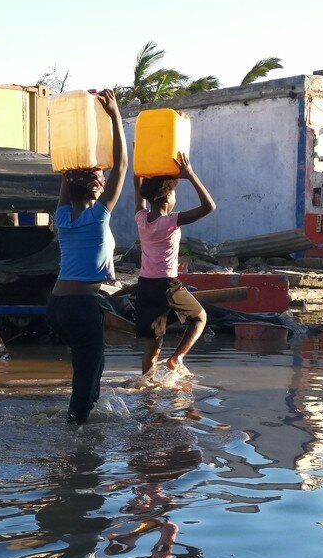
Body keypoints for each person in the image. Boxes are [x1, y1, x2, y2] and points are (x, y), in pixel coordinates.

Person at [47, 89, 129, 424]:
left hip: (57, 305)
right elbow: (122, 164)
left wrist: (72, 162)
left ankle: (82, 415)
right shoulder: (98, 216)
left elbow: (68, 180)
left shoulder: (63, 218)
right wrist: (114, 115)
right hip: (82, 306)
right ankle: (78, 453)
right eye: (100, 181)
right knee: (87, 377)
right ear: (97, 190)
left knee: (91, 369)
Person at [133, 152, 216, 384]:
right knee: (200, 317)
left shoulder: (140, 218)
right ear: (168, 196)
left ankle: (146, 388)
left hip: (145, 287)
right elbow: (209, 206)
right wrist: (190, 175)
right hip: (166, 285)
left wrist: (139, 163)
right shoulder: (171, 221)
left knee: (152, 345)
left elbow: (137, 191)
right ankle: (177, 358)